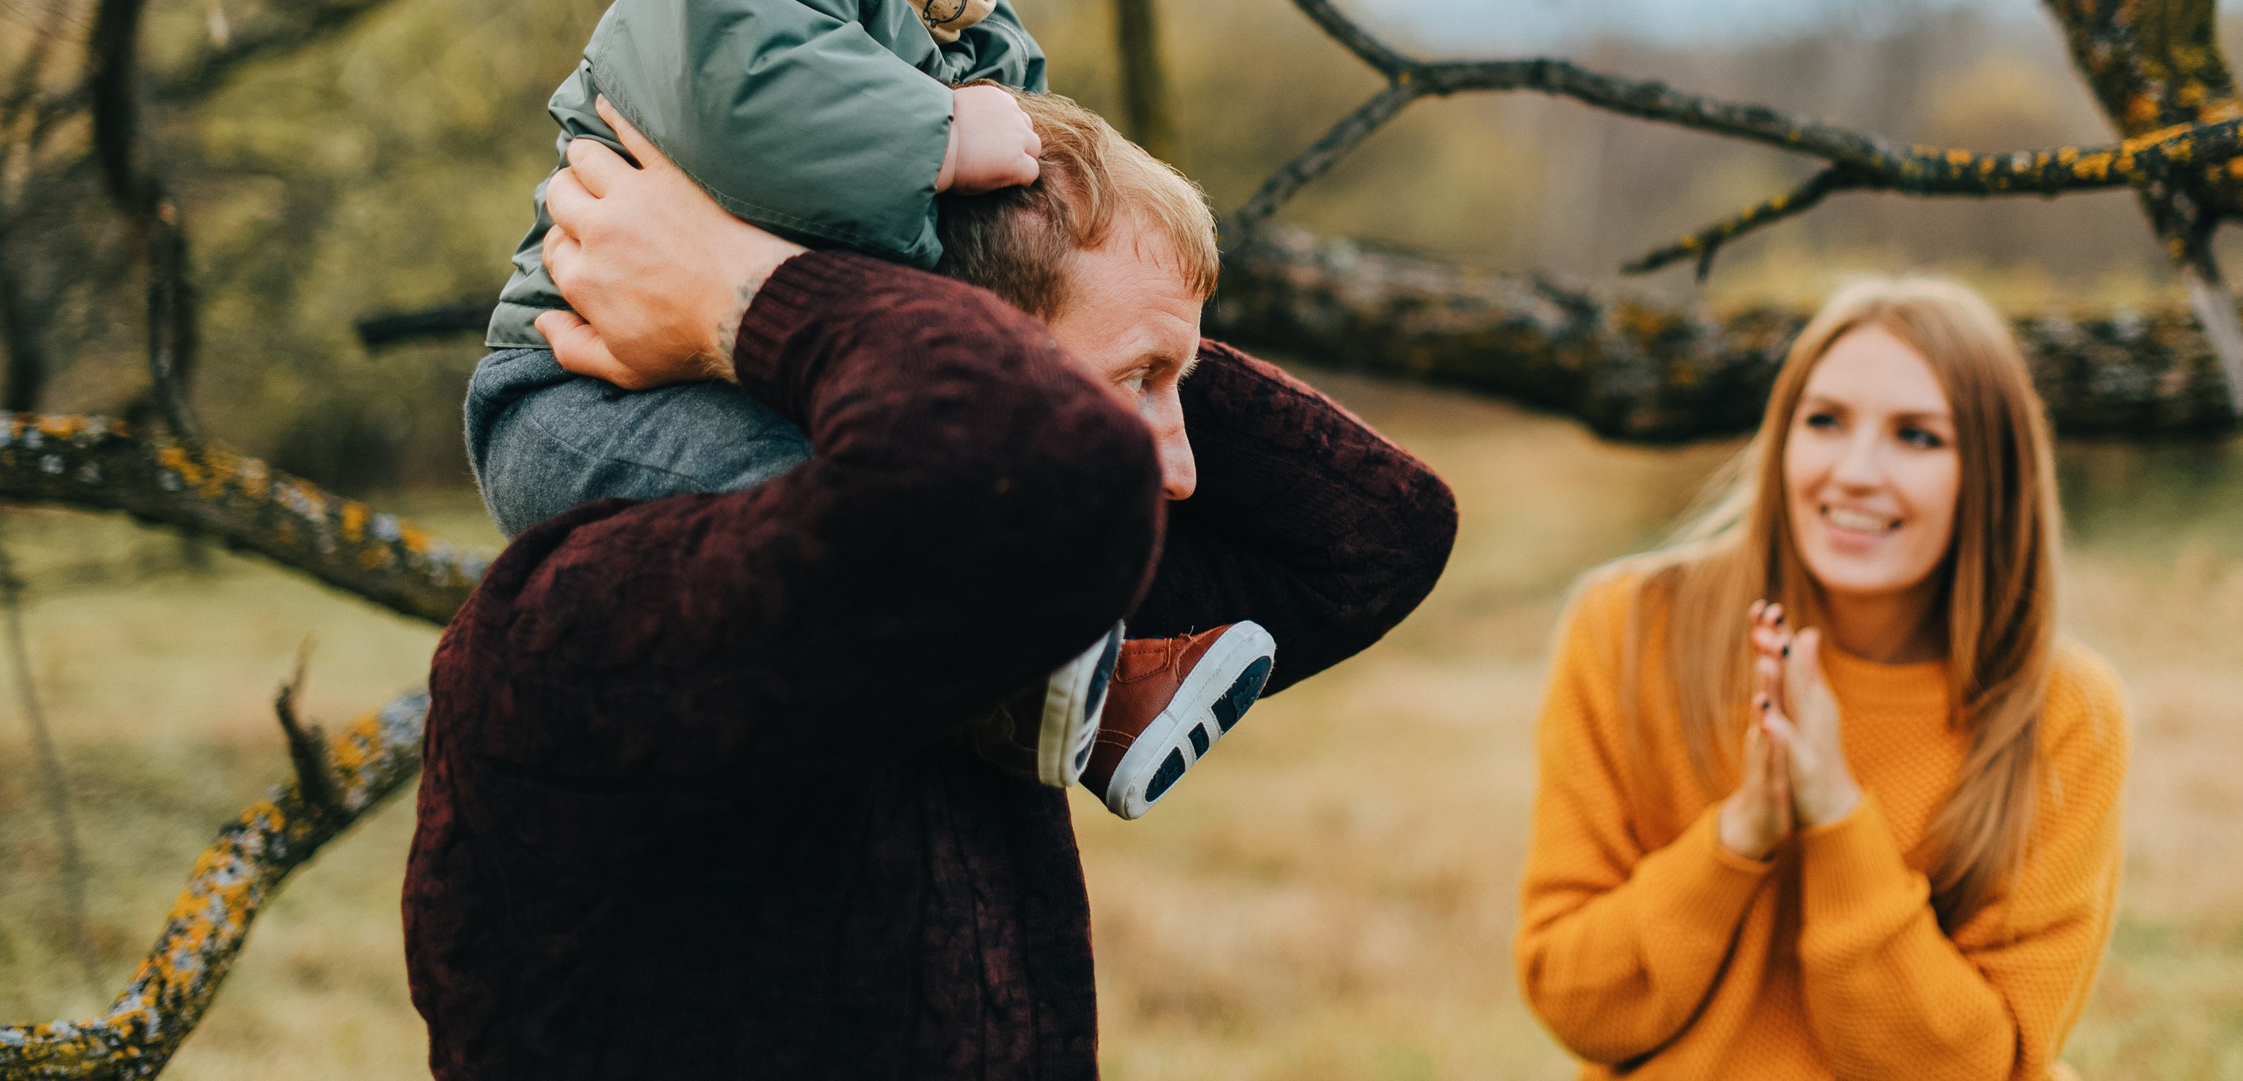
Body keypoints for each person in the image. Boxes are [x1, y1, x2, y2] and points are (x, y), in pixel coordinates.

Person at [404, 93, 1458, 1080]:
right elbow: (1014, 454)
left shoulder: (991, 605)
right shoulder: (580, 621)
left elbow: (1377, 534)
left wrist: (1110, 310)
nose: (1178, 468)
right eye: (1136, 383)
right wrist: (756, 295)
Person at [464, 0, 1267, 816]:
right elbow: (749, 105)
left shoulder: (970, 39)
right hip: (575, 394)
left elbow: (1022, 225)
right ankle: (1046, 671)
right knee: (824, 498)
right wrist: (937, 136)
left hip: (754, 370)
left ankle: (1085, 697)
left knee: (933, 484)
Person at [1516, 277, 2127, 1079]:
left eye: (1917, 436)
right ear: (1781, 439)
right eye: (1825, 421)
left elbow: (1982, 1064)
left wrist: (1838, 817)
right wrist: (1739, 834)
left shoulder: (2060, 711)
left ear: (1991, 472)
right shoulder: (1628, 628)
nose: (1856, 471)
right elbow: (1575, 999)